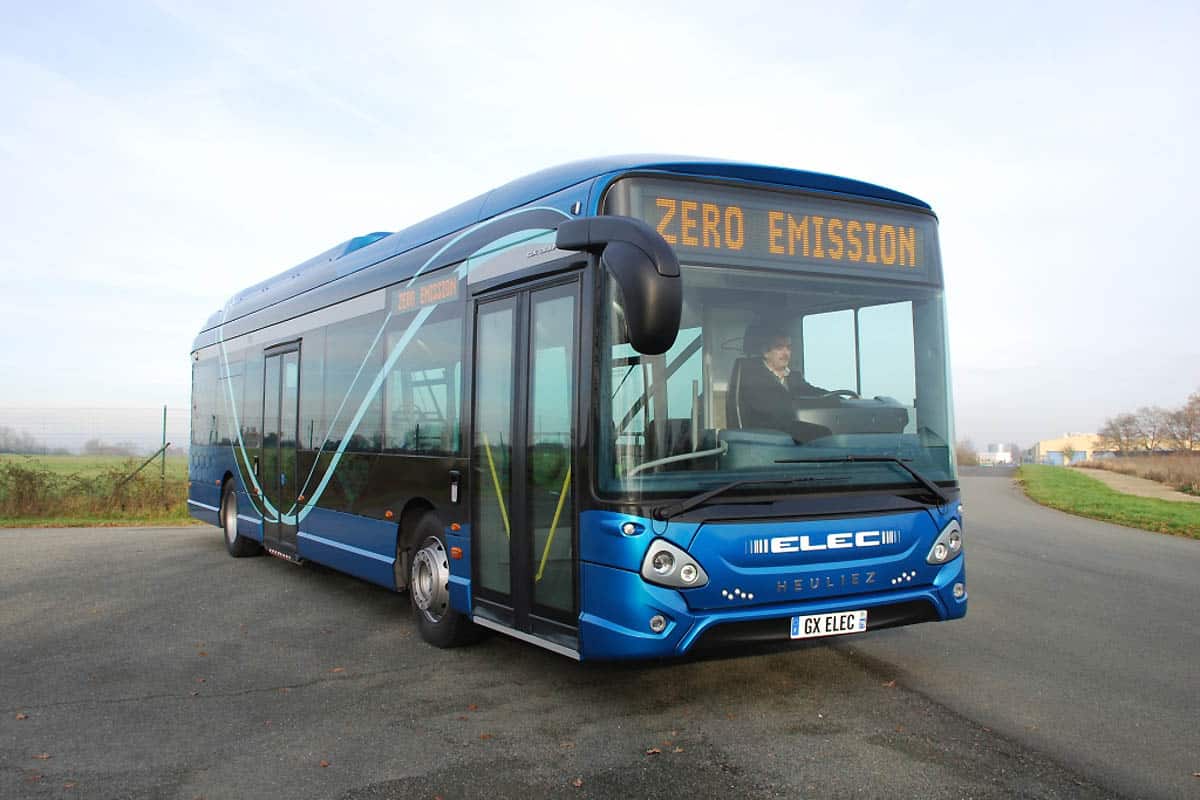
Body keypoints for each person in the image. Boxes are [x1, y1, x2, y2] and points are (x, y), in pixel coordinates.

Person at [733, 322, 833, 443]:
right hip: (766, 434)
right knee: (822, 434)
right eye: (779, 348)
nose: (786, 353)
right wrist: (798, 404)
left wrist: (839, 397)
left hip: (789, 429)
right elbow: (767, 407)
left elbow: (813, 392)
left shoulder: (794, 376)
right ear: (765, 352)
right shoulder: (752, 376)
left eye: (788, 348)